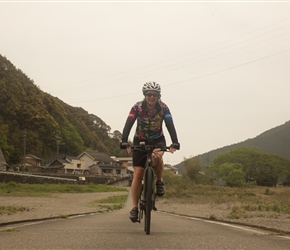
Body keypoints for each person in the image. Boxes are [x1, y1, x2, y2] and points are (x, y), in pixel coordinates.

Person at [120, 81, 180, 223]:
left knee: (156, 158)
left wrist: (175, 141)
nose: (152, 97)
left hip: (157, 140)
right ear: (145, 95)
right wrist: (123, 141)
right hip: (139, 140)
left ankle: (159, 181)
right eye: (149, 94)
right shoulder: (137, 107)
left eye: (155, 95)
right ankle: (134, 208)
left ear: (159, 96)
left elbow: (170, 124)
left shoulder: (164, 108)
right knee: (138, 173)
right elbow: (129, 122)